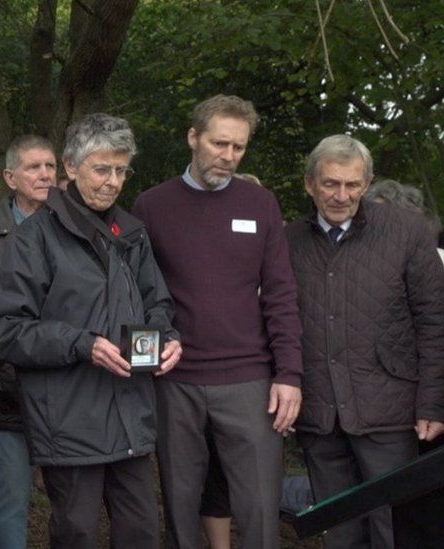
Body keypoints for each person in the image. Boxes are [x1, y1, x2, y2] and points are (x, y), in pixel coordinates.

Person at [0, 113, 182, 549]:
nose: (113, 182)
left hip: (131, 414)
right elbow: (5, 330)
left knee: (142, 532)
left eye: (121, 170)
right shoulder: (34, 239)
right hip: (69, 419)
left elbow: (159, 305)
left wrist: (169, 339)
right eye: (102, 169)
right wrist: (82, 344)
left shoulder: (132, 234)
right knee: (76, 533)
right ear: (71, 168)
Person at [132, 94, 302, 549]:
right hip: (175, 380)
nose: (228, 156)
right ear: (193, 137)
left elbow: (282, 296)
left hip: (249, 379)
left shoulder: (261, 204)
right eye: (219, 143)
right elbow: (137, 295)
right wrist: (143, 367)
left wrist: (289, 374)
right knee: (180, 507)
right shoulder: (151, 206)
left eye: (239, 147)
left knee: (261, 510)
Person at [286, 135, 444, 549]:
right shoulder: (287, 241)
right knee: (339, 527)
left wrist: (433, 402)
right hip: (320, 412)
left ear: (367, 183)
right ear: (309, 184)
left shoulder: (406, 231)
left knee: (397, 525)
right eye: (331, 184)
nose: (342, 195)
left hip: (391, 408)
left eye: (353, 185)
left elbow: (434, 319)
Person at [0, 134, 57, 549]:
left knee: (73, 500)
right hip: (14, 390)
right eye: (34, 167)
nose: (45, 175)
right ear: (10, 177)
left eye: (51, 167)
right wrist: (3, 360)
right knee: (10, 499)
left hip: (71, 387)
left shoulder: (74, 227)